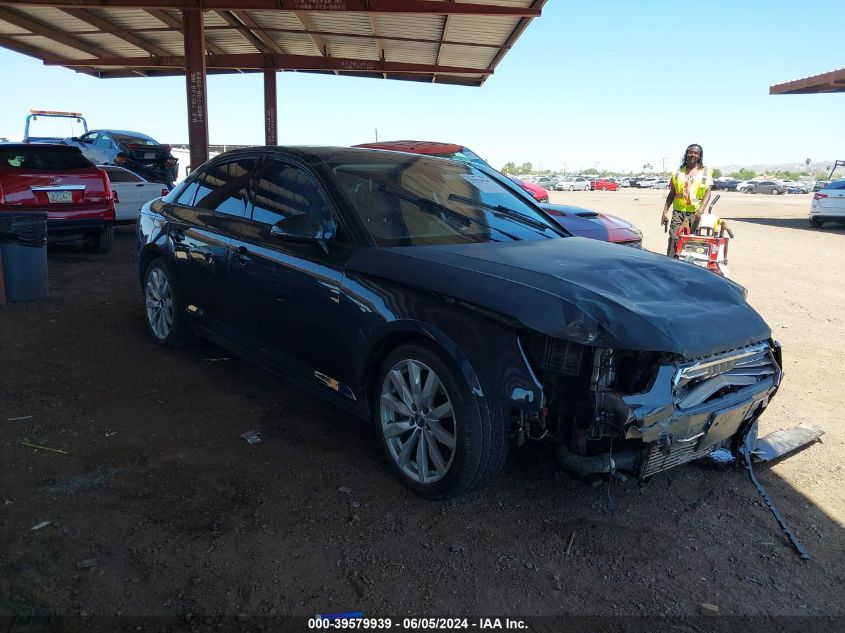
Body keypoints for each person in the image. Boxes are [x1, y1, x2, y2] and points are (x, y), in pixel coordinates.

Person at [661, 144, 712, 256]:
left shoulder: (705, 172)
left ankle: (687, 264)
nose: (692, 154)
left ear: (699, 156)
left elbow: (708, 192)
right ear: (686, 154)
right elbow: (672, 194)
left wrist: (702, 209)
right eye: (690, 152)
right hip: (678, 211)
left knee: (690, 239)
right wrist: (664, 212)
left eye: (696, 153)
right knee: (674, 237)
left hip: (695, 212)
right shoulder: (678, 172)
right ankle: (670, 262)